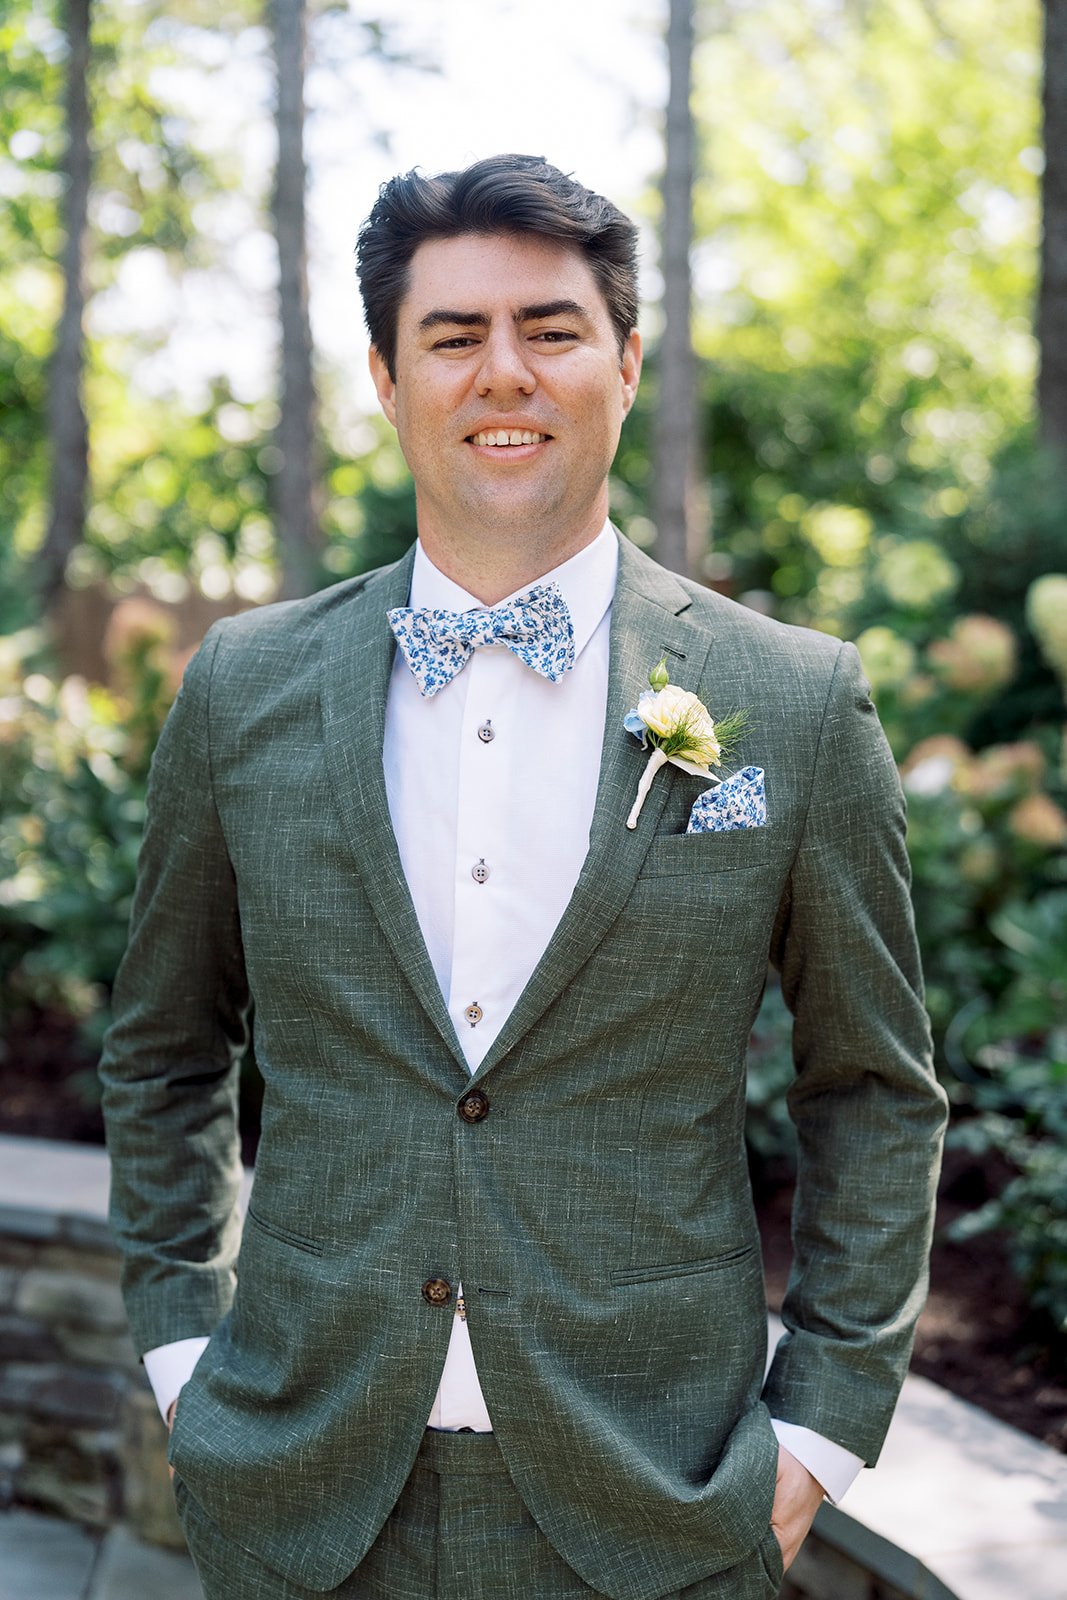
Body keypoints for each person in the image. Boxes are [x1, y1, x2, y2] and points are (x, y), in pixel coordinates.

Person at [100, 154, 947, 1600]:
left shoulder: (794, 703)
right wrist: (186, 1348)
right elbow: (165, 1049)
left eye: (550, 329)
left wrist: (821, 1434)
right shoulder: (241, 690)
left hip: (658, 1498)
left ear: (623, 362)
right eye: (454, 335)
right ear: (385, 376)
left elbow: (873, 1089)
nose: (506, 373)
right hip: (301, 1490)